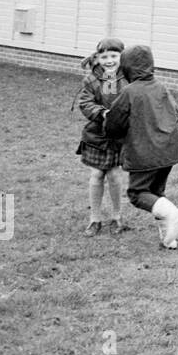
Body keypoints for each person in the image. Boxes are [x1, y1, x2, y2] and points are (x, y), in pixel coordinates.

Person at [104, 45, 178, 249]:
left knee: (138, 193)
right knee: (157, 193)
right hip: (167, 151)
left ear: (126, 68)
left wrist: (111, 125)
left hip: (144, 153)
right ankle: (169, 238)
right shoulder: (161, 87)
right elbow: (177, 112)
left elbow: (114, 124)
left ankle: (173, 215)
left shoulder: (130, 92)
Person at [73, 38, 129, 236]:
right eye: (104, 57)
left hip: (119, 136)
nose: (109, 61)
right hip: (97, 134)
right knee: (96, 175)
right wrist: (102, 113)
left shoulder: (128, 78)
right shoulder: (91, 79)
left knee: (114, 175)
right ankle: (94, 219)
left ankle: (117, 217)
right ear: (97, 58)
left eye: (114, 56)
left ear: (122, 57)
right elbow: (85, 103)